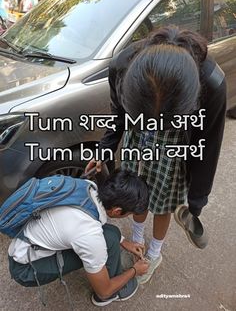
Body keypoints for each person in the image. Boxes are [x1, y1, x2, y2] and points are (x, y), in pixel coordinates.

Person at [86, 26, 226, 284]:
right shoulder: (123, 65)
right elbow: (118, 111)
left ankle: (154, 253)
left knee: (163, 202)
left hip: (174, 148)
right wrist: (105, 147)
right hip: (136, 139)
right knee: (136, 194)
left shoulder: (212, 83)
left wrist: (196, 201)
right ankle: (137, 237)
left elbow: (208, 146)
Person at [8, 169, 149, 307]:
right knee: (105, 243)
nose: (128, 216)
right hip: (25, 269)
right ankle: (111, 294)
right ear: (117, 211)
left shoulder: (87, 187)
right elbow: (104, 291)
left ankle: (107, 268)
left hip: (24, 243)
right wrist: (135, 271)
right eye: (129, 214)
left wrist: (125, 242)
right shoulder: (89, 235)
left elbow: (87, 227)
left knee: (111, 234)